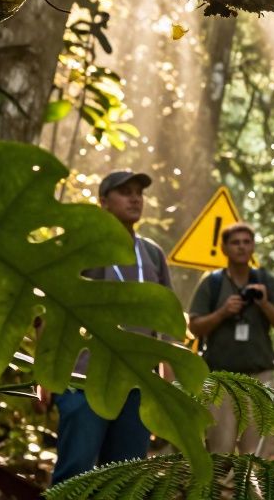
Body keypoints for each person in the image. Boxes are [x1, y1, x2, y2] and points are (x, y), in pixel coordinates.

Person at [42, 169, 176, 485]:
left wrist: (165, 384)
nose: (134, 198)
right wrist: (45, 374)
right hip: (84, 378)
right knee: (75, 471)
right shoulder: (82, 245)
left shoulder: (152, 253)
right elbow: (52, 308)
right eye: (124, 192)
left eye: (139, 193)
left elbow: (165, 320)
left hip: (137, 382)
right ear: (103, 202)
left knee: (125, 478)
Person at [187, 222, 274, 454]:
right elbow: (194, 327)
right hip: (221, 378)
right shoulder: (212, 283)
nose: (241, 247)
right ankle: (219, 490)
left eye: (246, 242)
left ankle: (252, 492)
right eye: (235, 243)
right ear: (223, 248)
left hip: (259, 376)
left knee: (258, 453)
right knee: (219, 450)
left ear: (253, 246)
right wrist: (223, 312)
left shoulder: (265, 281)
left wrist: (264, 303)